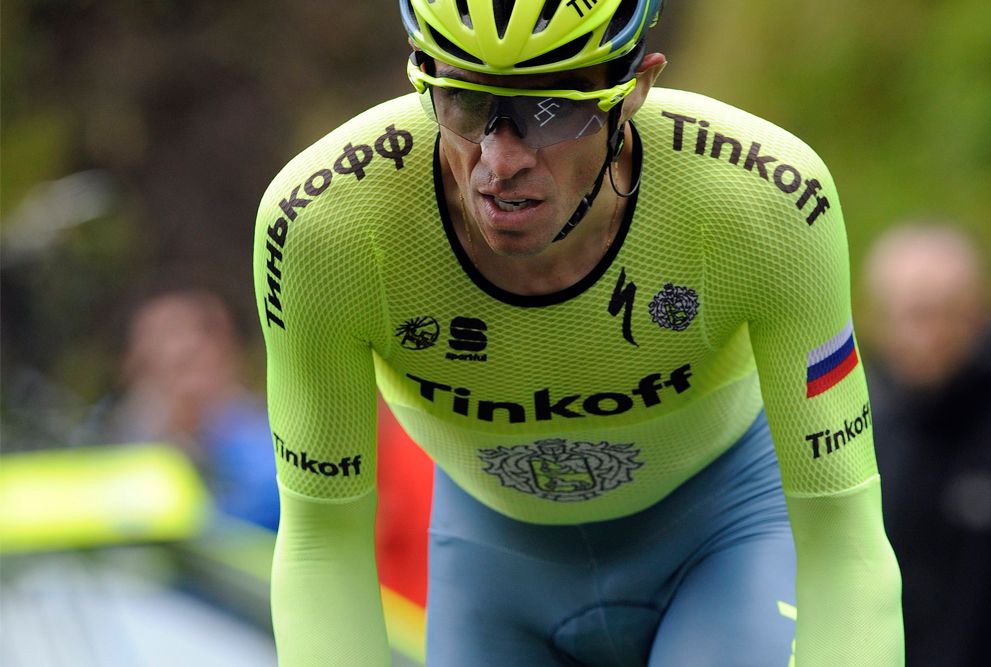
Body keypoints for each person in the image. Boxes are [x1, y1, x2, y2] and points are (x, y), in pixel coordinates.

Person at [253, 2, 903, 665]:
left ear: (635, 92)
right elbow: (321, 539)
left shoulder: (765, 200)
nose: (500, 161)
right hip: (495, 571)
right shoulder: (326, 226)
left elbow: (843, 536)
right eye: (464, 104)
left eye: (551, 111)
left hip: (725, 535)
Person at [863, 223, 991, 667]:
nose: (921, 334)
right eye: (904, 314)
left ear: (976, 312)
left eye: (935, 313)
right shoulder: (865, 424)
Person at [82, 289, 280, 530]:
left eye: (187, 360)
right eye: (153, 363)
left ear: (224, 354)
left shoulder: (268, 450)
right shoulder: (122, 443)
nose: (179, 383)